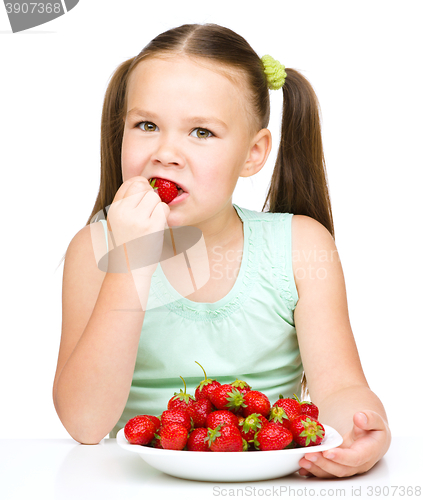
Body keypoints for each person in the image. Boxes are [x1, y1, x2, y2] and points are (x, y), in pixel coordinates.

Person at [53, 23, 391, 478]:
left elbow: (340, 387)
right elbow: (85, 424)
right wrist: (130, 260)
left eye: (202, 132)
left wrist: (364, 428)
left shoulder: (300, 245)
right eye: (146, 125)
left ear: (253, 153)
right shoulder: (94, 249)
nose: (166, 153)